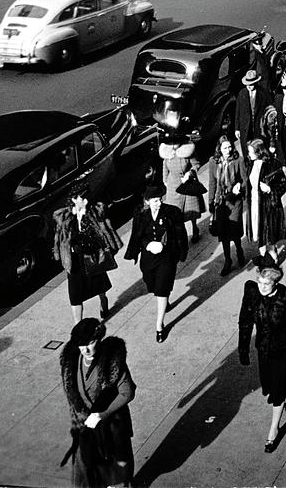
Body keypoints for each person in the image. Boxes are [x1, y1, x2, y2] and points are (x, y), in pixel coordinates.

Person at [59, 318, 136, 488]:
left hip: (111, 426)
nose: (85, 349)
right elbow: (73, 397)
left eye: (91, 342)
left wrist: (104, 414)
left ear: (99, 340)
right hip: (85, 426)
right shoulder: (70, 363)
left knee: (117, 470)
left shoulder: (111, 361)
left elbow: (127, 392)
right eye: (81, 344)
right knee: (85, 470)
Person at [238, 263, 286, 452]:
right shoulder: (253, 294)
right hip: (264, 350)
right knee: (269, 384)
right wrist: (243, 349)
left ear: (276, 283)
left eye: (266, 284)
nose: (261, 287)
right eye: (260, 282)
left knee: (276, 390)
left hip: (284, 350)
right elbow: (245, 322)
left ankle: (273, 430)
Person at [125, 178, 188, 342]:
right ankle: (164, 299)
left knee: (161, 289)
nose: (158, 203)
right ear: (147, 201)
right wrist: (147, 245)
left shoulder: (171, 213)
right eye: (154, 201)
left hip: (166, 258)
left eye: (160, 199)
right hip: (148, 259)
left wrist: (178, 251)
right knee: (151, 284)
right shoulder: (141, 216)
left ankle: (159, 326)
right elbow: (136, 236)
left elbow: (179, 234)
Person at [53, 193, 123, 324]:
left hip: (92, 256)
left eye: (86, 198)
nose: (85, 201)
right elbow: (60, 237)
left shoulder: (94, 213)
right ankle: (77, 325)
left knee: (98, 284)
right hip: (74, 259)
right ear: (74, 200)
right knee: (75, 295)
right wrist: (59, 253)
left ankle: (103, 299)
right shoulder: (64, 217)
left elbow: (105, 231)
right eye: (81, 199)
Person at [209, 136, 247, 276]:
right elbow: (212, 182)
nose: (228, 150)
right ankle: (227, 259)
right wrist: (211, 201)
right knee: (223, 232)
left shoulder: (239, 160)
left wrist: (240, 186)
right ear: (219, 149)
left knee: (234, 228)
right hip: (221, 202)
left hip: (235, 200)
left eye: (230, 147)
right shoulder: (213, 162)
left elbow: (245, 179)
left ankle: (239, 250)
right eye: (225, 148)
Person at [245, 138, 286, 264]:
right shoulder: (251, 163)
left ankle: (273, 257)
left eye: (251, 152)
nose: (249, 154)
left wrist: (270, 189)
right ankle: (264, 256)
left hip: (267, 205)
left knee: (268, 234)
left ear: (259, 152)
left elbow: (282, 185)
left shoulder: (272, 165)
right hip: (254, 202)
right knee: (258, 232)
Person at [160, 139, 204, 243]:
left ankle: (195, 228)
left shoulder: (187, 150)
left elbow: (196, 164)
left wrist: (190, 173)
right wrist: (165, 181)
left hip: (187, 183)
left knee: (192, 209)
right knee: (176, 213)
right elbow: (165, 167)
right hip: (173, 186)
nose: (173, 144)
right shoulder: (167, 151)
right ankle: (181, 235)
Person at [235, 70, 274, 164]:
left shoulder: (263, 93)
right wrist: (237, 128)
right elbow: (238, 111)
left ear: (256, 82)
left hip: (259, 129)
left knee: (260, 150)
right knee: (247, 152)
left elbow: (270, 112)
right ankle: (248, 168)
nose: (249, 86)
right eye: (247, 84)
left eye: (251, 84)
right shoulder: (242, 93)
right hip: (245, 129)